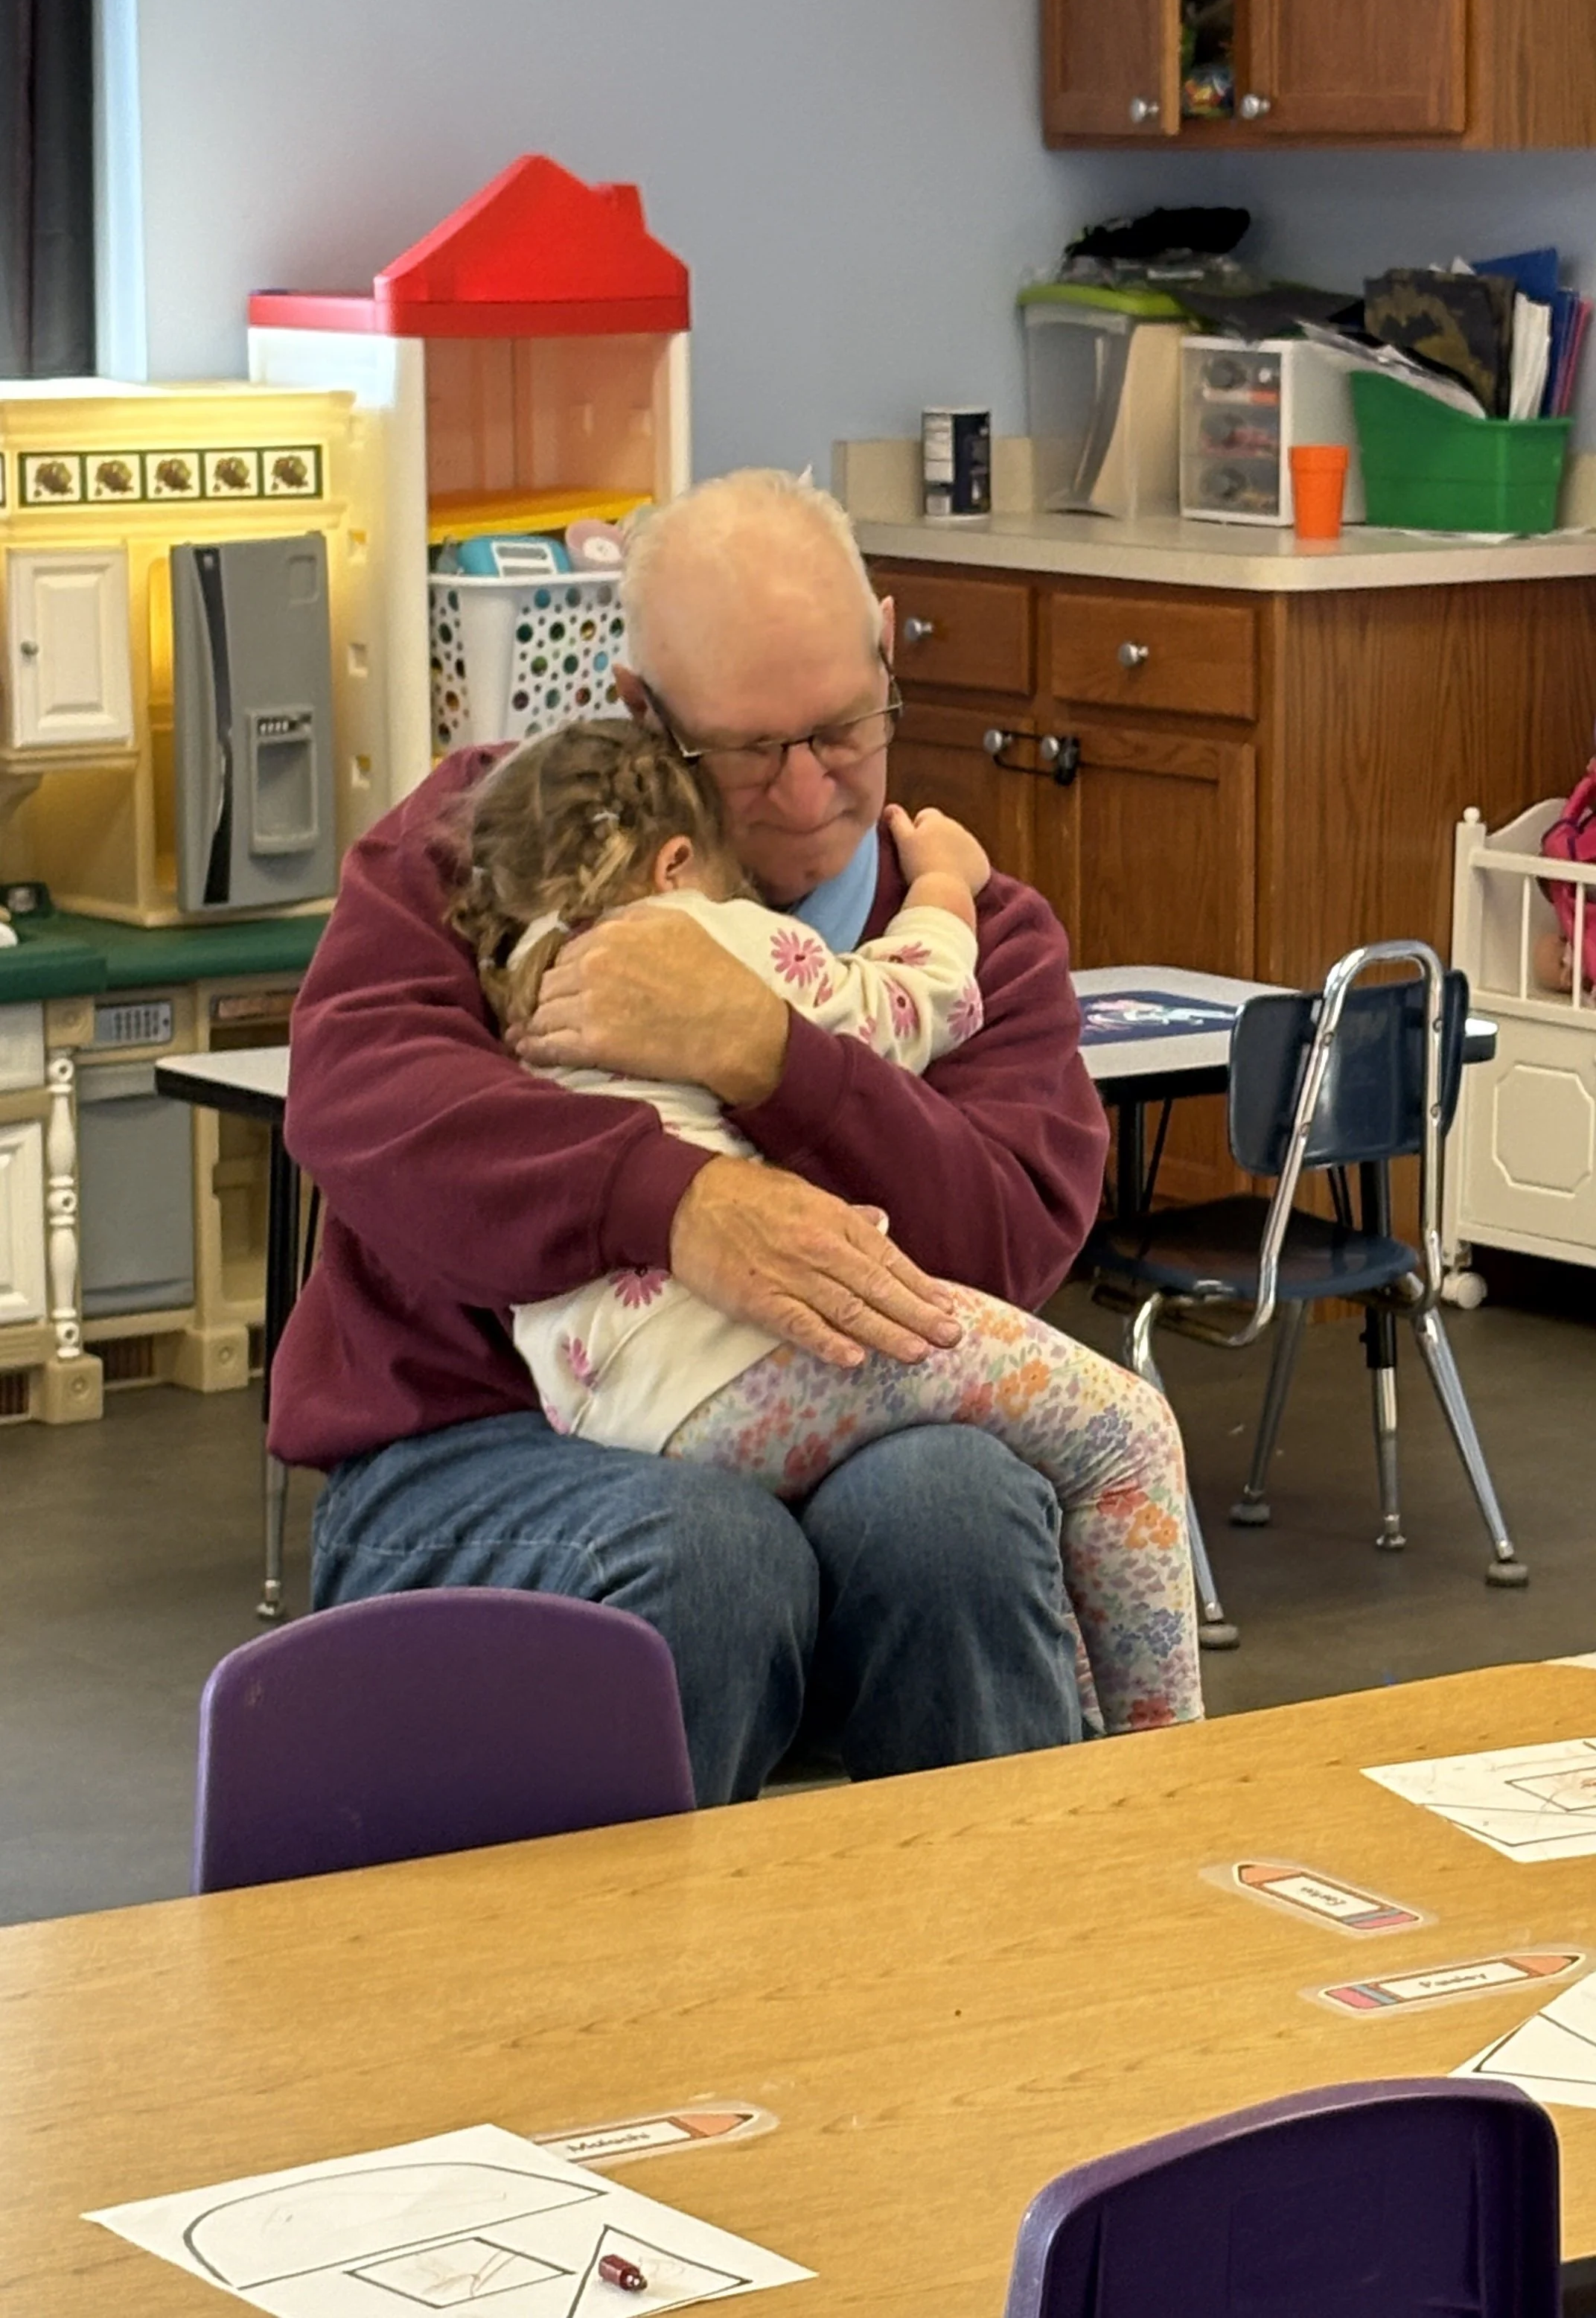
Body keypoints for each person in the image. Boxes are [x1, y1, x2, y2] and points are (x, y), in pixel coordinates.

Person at [275, 468, 1120, 1802]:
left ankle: (1009, 1926)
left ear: (888, 649)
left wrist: (767, 1052)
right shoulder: (500, 838)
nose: (807, 790)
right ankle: (623, 1945)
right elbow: (363, 1096)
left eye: (842, 730)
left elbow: (1005, 1242)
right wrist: (672, 1200)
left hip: (844, 1430)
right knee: (713, 1555)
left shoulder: (976, 936)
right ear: (640, 711)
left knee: (960, 1513)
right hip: (477, 1442)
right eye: (746, 752)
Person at [447, 716, 1200, 1736]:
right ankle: (1173, 1768)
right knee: (1126, 1437)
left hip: (618, 1413)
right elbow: (914, 1004)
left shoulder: (524, 992)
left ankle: (1092, 1741)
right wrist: (947, 884)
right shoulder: (695, 935)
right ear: (675, 861)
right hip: (748, 1361)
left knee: (1026, 1456)